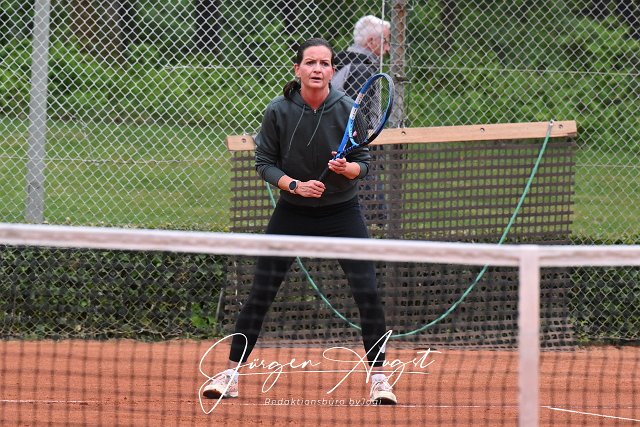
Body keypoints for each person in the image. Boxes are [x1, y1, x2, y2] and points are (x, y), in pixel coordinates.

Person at [202, 38, 397, 405]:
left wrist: (347, 169)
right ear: (298, 69)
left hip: (342, 212)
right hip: (292, 211)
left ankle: (379, 378)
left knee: (367, 292)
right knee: (261, 292)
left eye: (324, 63)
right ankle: (230, 374)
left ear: (333, 71)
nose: (317, 69)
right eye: (310, 62)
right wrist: (293, 185)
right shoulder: (278, 111)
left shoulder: (348, 110)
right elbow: (264, 163)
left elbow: (364, 164)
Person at [332, 16, 391, 227]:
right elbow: (355, 117)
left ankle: (377, 222)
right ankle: (375, 223)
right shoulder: (361, 68)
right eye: (386, 41)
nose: (388, 49)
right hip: (351, 143)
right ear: (371, 41)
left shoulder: (347, 60)